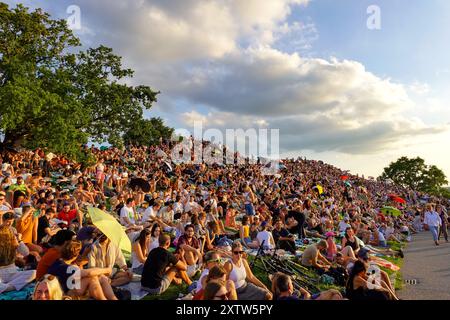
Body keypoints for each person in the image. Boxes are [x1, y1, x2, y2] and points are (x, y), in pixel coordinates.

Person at [47, 240, 117, 300]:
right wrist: (107, 270)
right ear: (76, 255)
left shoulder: (58, 262)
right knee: (92, 278)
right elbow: (89, 273)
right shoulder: (67, 267)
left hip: (64, 289)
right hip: (62, 295)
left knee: (101, 278)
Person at [0, 225, 36, 294]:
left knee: (34, 273)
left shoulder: (13, 242)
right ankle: (11, 286)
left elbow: (26, 253)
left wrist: (19, 240)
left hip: (13, 273)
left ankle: (7, 287)